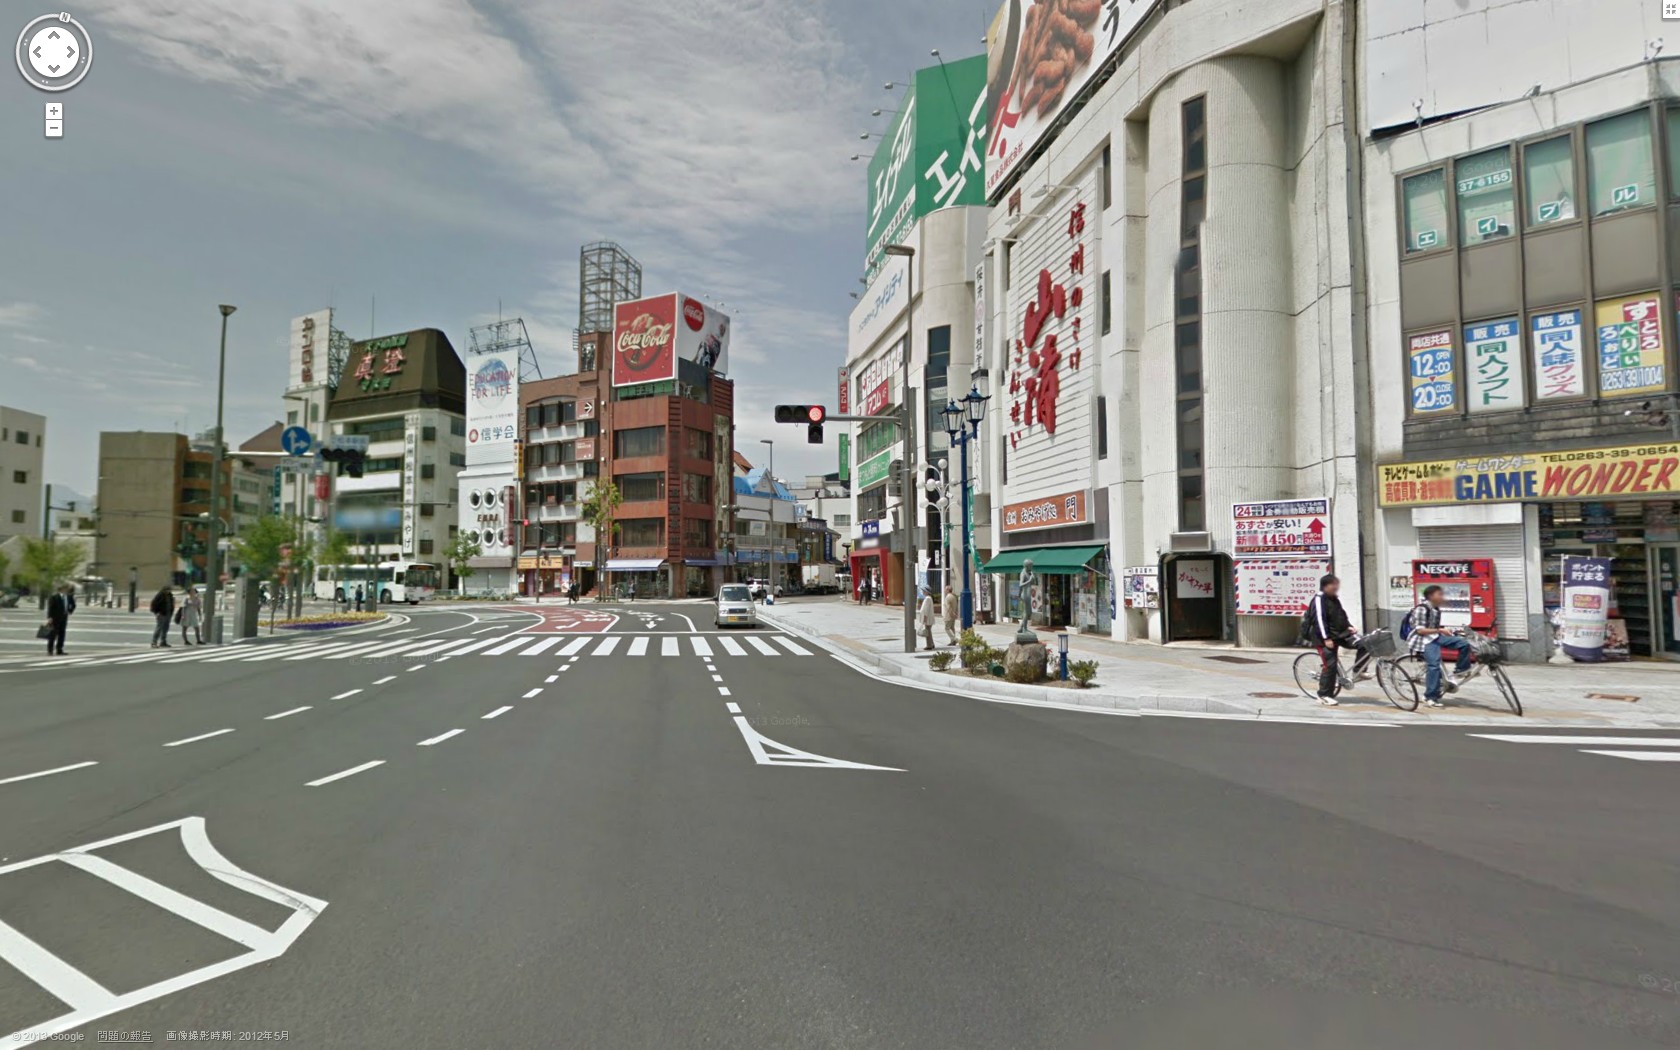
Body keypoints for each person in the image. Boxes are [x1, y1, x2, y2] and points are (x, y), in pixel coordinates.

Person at [1304, 573, 1369, 706]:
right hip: (1323, 638)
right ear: (1326, 586)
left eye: (1337, 585)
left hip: (1340, 634)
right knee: (1330, 665)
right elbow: (1319, 620)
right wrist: (1326, 638)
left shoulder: (1334, 598)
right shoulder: (1319, 599)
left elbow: (1341, 615)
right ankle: (1324, 695)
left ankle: (1359, 671)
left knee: (1365, 644)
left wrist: (1349, 626)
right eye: (1334, 585)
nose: (1336, 587)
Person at [1409, 584, 1472, 709]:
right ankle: (1430, 697)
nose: (1442, 597)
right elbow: (1420, 631)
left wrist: (1448, 631)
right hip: (1423, 640)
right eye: (1439, 594)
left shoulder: (1436, 609)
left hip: (1435, 636)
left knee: (1464, 643)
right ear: (1431, 596)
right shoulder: (1421, 609)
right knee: (1434, 666)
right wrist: (1440, 630)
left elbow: (1435, 628)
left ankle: (1461, 669)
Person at [44, 584, 72, 656]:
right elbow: (50, 608)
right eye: (66, 589)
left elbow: (72, 604)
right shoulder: (54, 597)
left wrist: (70, 610)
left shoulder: (68, 597)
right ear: (61, 589)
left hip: (64, 618)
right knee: (53, 634)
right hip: (55, 618)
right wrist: (50, 617)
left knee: (62, 634)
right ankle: (50, 650)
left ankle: (59, 650)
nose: (67, 590)